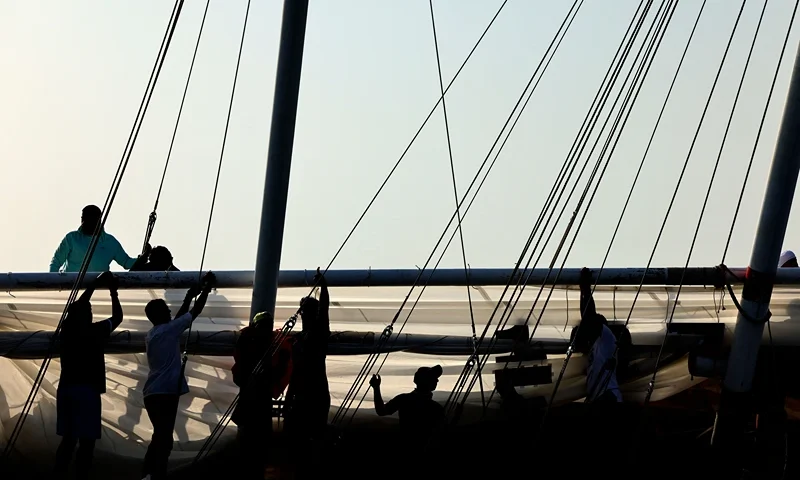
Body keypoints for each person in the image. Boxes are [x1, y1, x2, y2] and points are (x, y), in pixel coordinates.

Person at [140, 271, 216, 480]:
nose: (170, 311)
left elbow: (179, 318)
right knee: (164, 439)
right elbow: (193, 314)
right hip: (165, 393)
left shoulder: (155, 333)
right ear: (160, 315)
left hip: (154, 393)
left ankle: (148, 473)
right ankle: (155, 475)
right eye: (166, 310)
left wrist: (189, 297)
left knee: (160, 436)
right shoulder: (167, 331)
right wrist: (206, 290)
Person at [54, 271, 123, 479]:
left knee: (68, 439)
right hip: (87, 390)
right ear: (87, 315)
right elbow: (117, 317)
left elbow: (78, 305)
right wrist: (113, 292)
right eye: (90, 310)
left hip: (66, 388)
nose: (92, 311)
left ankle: (59, 474)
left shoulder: (67, 330)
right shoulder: (96, 331)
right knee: (87, 442)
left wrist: (95, 285)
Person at [231, 311, 293, 479]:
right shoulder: (271, 348)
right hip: (258, 407)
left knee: (249, 448)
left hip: (250, 406)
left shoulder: (248, 345)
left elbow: (239, 375)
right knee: (257, 449)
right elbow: (276, 375)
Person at [283, 269, 331, 446]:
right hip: (301, 394)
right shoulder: (297, 339)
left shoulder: (318, 333)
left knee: (313, 440)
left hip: (315, 394)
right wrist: (288, 400)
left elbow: (324, 309)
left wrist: (323, 286)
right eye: (302, 310)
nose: (302, 314)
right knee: (297, 442)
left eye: (306, 310)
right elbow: (294, 372)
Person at [574, 267, 622, 404]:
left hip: (607, 397)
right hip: (601, 397)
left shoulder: (606, 338)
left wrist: (585, 288)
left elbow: (588, 316)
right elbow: (587, 318)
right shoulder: (597, 346)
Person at [50, 205, 142, 272]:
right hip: (70, 287)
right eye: (83, 219)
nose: (85, 222)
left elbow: (126, 262)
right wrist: (52, 283)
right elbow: (56, 262)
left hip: (98, 289)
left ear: (99, 220)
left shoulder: (110, 242)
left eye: (90, 219)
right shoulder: (71, 238)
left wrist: (142, 258)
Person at [369, 365, 445, 444]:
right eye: (434, 378)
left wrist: (376, 388)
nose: (437, 381)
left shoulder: (403, 399)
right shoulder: (436, 408)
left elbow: (381, 411)